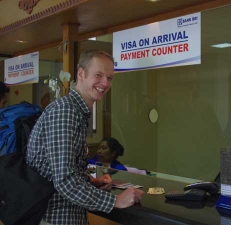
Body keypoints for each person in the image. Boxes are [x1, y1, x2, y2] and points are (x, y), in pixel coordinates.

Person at [26, 49, 144, 225]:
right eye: (98, 75)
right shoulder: (65, 111)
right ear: (81, 74)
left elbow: (59, 169)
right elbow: (65, 181)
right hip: (56, 218)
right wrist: (116, 201)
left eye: (110, 77)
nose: (105, 83)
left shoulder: (76, 110)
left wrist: (91, 181)